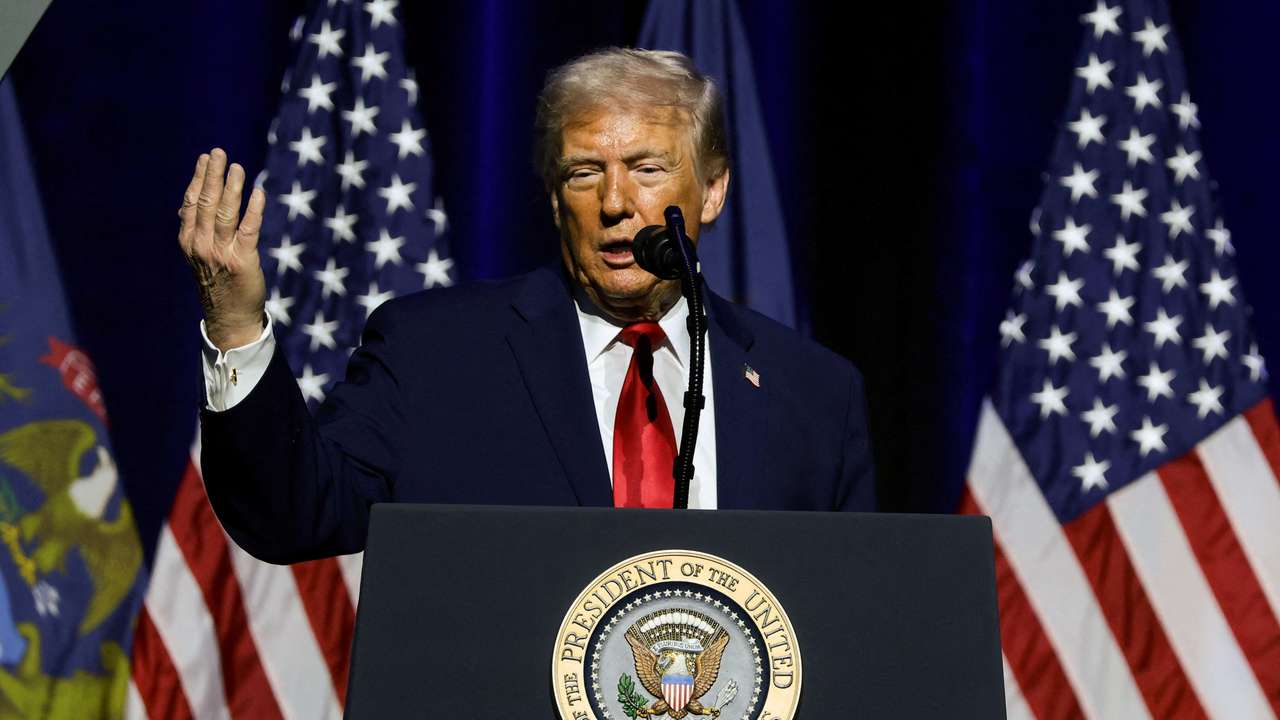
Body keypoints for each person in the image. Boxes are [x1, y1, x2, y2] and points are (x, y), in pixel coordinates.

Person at [181, 49, 874, 564]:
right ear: (553, 197)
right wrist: (235, 326)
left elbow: (853, 613)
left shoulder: (813, 393)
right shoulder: (435, 356)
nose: (614, 203)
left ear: (713, 190)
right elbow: (292, 516)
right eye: (584, 173)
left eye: (647, 168)